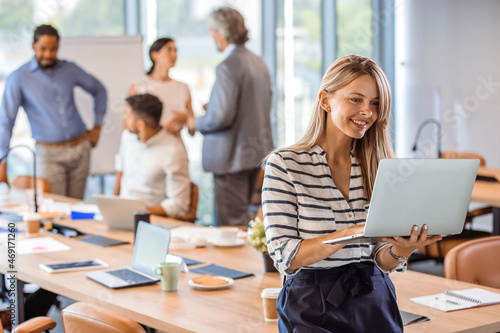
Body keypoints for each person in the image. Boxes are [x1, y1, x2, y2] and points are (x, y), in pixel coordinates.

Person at [263, 55, 442, 332]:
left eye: (375, 104)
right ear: (325, 100)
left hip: (375, 299)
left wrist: (403, 249)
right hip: (312, 304)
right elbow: (286, 255)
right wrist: (354, 231)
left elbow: (380, 259)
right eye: (356, 99)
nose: (367, 112)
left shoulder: (380, 167)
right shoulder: (286, 164)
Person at [171, 6, 273, 226]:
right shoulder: (258, 62)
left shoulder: (228, 65)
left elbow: (221, 117)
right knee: (244, 221)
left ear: (222, 32)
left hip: (231, 159)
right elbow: (256, 105)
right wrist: (215, 106)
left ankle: (232, 263)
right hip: (254, 153)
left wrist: (193, 121)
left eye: (212, 31)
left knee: (230, 224)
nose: (212, 36)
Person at [0, 24, 107, 199]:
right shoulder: (19, 78)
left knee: (76, 209)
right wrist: (2, 163)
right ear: (33, 46)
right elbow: (6, 122)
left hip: (80, 149)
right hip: (49, 154)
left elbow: (99, 90)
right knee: (54, 211)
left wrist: (97, 127)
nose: (48, 55)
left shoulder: (69, 69)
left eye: (53, 49)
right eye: (43, 49)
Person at [114, 93, 191, 218]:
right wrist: (113, 205)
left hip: (150, 220)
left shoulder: (173, 151)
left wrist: (140, 211)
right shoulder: (127, 138)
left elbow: (179, 205)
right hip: (119, 216)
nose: (124, 118)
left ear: (140, 125)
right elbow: (120, 168)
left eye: (127, 114)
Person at [129, 37, 195, 137]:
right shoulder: (139, 87)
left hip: (177, 149)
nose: (174, 55)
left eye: (176, 50)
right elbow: (130, 127)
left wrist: (188, 119)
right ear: (154, 55)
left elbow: (192, 132)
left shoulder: (183, 88)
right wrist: (162, 129)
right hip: (149, 149)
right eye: (169, 50)